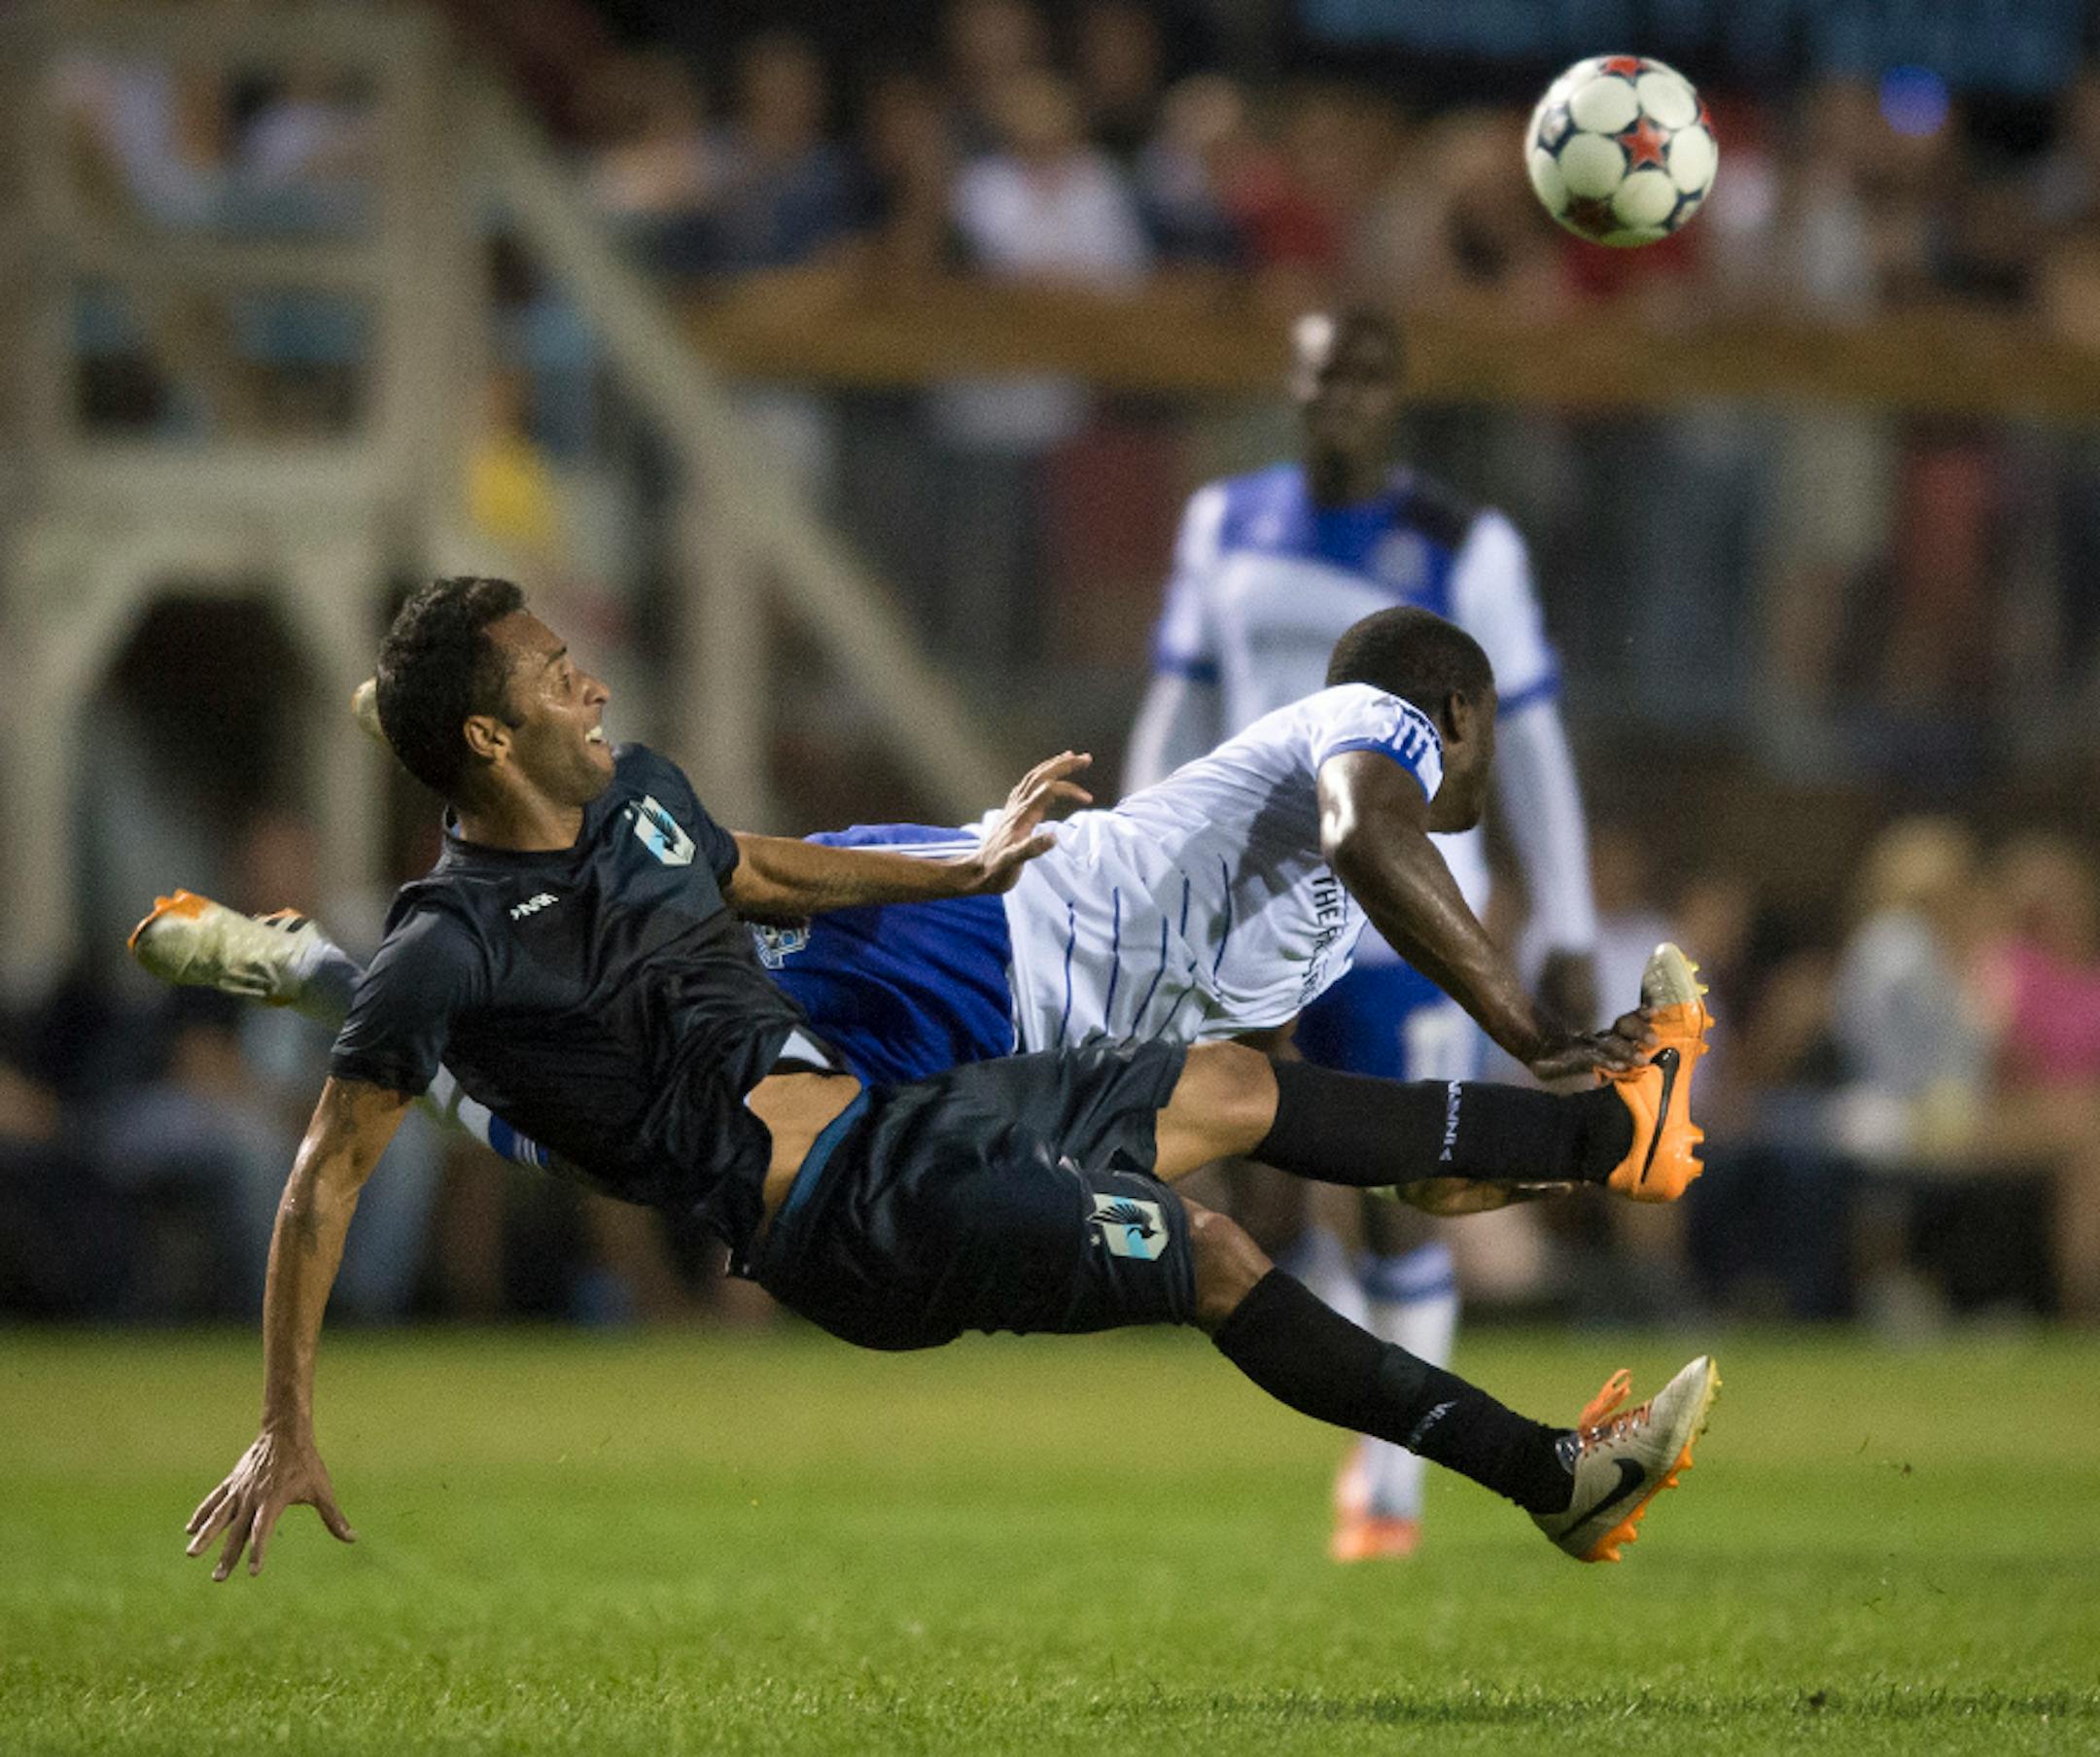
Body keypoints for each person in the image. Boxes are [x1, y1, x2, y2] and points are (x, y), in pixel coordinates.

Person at [176, 577, 1717, 1582]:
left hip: (908, 1113)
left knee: (1227, 1090)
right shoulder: (450, 945)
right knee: (1209, 1252)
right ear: (488, 735)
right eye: (557, 674)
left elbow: (763, 874)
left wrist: (965, 866)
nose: (595, 687)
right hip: (852, 1218)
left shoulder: (641, 801)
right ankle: (1546, 1473)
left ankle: (1600, 1133)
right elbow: (325, 1177)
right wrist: (284, 1417)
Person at [141, 609, 1687, 1216]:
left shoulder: (1393, 896)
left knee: (664, 1137)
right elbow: (1367, 829)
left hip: (1015, 1033)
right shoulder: (1374, 734)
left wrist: (1511, 1154)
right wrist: (1543, 1042)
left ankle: (332, 978)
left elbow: (1356, 1137)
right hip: (975, 946)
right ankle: (352, 962)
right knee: (641, 1057)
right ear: (1460, 713)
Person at [1125, 307, 1600, 1560]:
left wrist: (1568, 910)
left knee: (1405, 1187)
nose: (1343, 398)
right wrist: (1132, 860)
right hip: (1253, 908)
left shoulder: (1462, 543)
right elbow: (1179, 706)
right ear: (1293, 385)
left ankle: (1390, 1487)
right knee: (1269, 1178)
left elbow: (1530, 735)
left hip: (1402, 916)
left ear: (1399, 395)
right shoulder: (1222, 523)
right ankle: (1386, 1418)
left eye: (1368, 378)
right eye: (1325, 375)